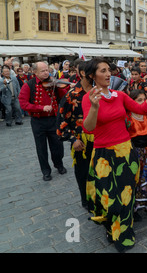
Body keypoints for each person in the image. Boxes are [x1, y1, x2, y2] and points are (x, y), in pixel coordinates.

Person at [82, 58, 147, 252]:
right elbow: (89, 128)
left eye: (109, 70)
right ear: (93, 76)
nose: (108, 74)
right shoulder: (89, 98)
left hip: (125, 152)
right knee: (110, 199)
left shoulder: (119, 95)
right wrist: (94, 107)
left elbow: (142, 109)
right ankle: (111, 227)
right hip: (104, 156)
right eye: (103, 71)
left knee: (126, 197)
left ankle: (123, 233)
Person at [19, 62, 67, 181]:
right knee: (41, 148)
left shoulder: (53, 82)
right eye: (43, 71)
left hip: (53, 119)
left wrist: (60, 86)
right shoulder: (28, 85)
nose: (46, 73)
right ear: (35, 72)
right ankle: (45, 171)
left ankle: (59, 164)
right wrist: (41, 108)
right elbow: (23, 103)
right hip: (38, 121)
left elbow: (63, 97)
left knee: (58, 145)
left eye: (47, 70)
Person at [56, 60, 93, 209]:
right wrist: (73, 139)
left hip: (101, 140)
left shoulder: (100, 92)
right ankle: (86, 201)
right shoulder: (71, 95)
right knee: (83, 173)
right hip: (81, 143)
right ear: (84, 73)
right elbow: (61, 124)